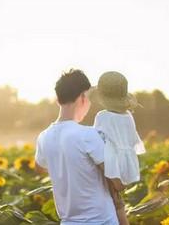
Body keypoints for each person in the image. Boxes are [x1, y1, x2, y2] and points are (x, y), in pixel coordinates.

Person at [34, 69, 121, 225]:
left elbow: (39, 168)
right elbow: (119, 182)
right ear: (82, 97)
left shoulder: (44, 137)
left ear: (58, 99)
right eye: (88, 98)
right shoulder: (88, 135)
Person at [92, 71, 146, 225]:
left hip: (109, 166)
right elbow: (130, 142)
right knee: (118, 202)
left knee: (111, 199)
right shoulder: (128, 116)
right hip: (124, 166)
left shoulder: (102, 117)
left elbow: (97, 143)